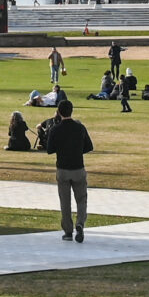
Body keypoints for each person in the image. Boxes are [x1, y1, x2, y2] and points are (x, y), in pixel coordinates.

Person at [41, 98, 94, 243]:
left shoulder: (55, 129)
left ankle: (68, 231)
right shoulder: (80, 127)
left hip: (63, 169)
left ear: (58, 112)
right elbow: (89, 147)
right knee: (81, 199)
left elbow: (50, 150)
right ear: (72, 111)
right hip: (78, 167)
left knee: (65, 202)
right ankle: (80, 223)